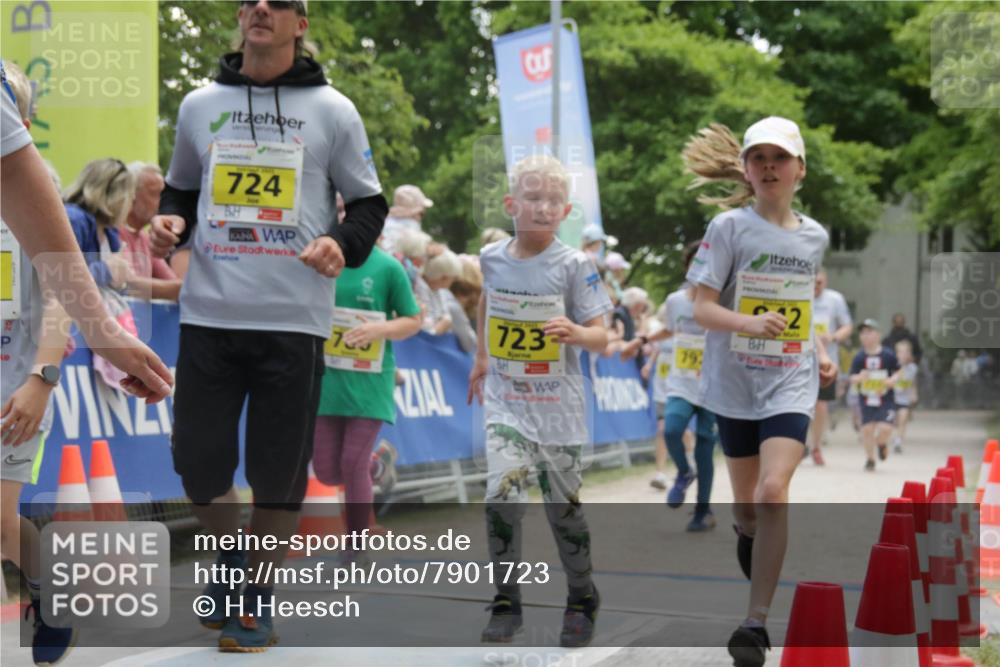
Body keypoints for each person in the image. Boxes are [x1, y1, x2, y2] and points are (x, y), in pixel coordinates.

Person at [148, 0, 386, 651]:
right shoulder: (200, 104)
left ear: (300, 23)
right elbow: (181, 191)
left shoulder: (333, 109)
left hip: (294, 320)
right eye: (250, 0)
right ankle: (230, 562)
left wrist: (342, 241)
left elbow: (368, 203)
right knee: (197, 462)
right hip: (209, 313)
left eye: (278, 2)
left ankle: (255, 598)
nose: (260, 9)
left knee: (278, 472)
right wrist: (174, 221)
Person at [682, 117, 836, 666]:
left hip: (790, 381)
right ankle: (747, 533)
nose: (769, 166)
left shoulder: (814, 235)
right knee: (748, 509)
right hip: (734, 382)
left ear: (800, 169)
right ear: (746, 171)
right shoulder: (728, 227)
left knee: (774, 491)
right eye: (758, 158)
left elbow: (800, 307)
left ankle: (755, 623)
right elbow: (701, 307)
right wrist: (748, 324)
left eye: (780, 157)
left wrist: (816, 349)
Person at [468, 155, 611, 648]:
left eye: (554, 201)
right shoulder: (491, 256)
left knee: (562, 511)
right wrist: (483, 355)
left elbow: (603, 338)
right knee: (501, 497)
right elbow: (488, 297)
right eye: (533, 198)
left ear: (566, 209)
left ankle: (581, 595)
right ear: (511, 204)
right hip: (507, 402)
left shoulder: (575, 265)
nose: (544, 208)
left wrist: (576, 331)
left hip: (560, 409)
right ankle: (507, 600)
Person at [0, 64, 173, 402]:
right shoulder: (75, 219)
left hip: (18, 371)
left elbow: (57, 285)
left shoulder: (103, 232)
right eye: (134, 194)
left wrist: (44, 375)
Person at [0, 59, 76, 667]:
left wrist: (41, 378)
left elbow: (62, 297)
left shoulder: (36, 186)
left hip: (17, 384)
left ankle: (50, 593)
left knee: (0, 521)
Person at [312, 242, 421, 563]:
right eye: (340, 210)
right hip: (326, 379)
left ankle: (355, 546)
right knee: (327, 472)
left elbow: (412, 320)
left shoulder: (387, 267)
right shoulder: (316, 261)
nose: (346, 218)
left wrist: (380, 328)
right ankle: (379, 464)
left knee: (351, 464)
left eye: (353, 210)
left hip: (370, 381)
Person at [806, 269, 852, 465]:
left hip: (826, 361)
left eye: (820, 282)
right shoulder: (797, 295)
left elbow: (847, 326)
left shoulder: (835, 299)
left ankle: (816, 446)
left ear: (825, 281)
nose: (816, 286)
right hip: (799, 361)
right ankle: (800, 445)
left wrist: (833, 337)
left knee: (821, 405)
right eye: (812, 282)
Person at [121, 162, 182, 301]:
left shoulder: (146, 239)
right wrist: (187, 289)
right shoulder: (113, 233)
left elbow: (171, 281)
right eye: (155, 194)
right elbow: (126, 284)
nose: (162, 202)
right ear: (131, 195)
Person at [849, 319, 900, 470]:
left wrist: (892, 380)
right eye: (862, 333)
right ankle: (870, 459)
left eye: (869, 332)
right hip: (866, 399)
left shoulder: (888, 355)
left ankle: (881, 443)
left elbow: (898, 371)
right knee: (866, 430)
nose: (865, 336)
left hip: (885, 399)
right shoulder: (859, 357)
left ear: (878, 335)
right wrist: (860, 377)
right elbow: (852, 377)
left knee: (885, 428)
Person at [379, 184, 433, 254]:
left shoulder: (383, 222)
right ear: (414, 212)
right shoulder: (411, 227)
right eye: (421, 213)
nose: (421, 217)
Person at [892, 339, 918, 454]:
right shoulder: (892, 367)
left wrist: (914, 393)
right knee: (895, 421)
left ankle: (898, 441)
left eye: (906, 352)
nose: (904, 355)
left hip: (904, 399)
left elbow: (913, 382)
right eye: (901, 352)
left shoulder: (913, 368)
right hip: (892, 398)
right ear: (896, 353)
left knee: (903, 418)